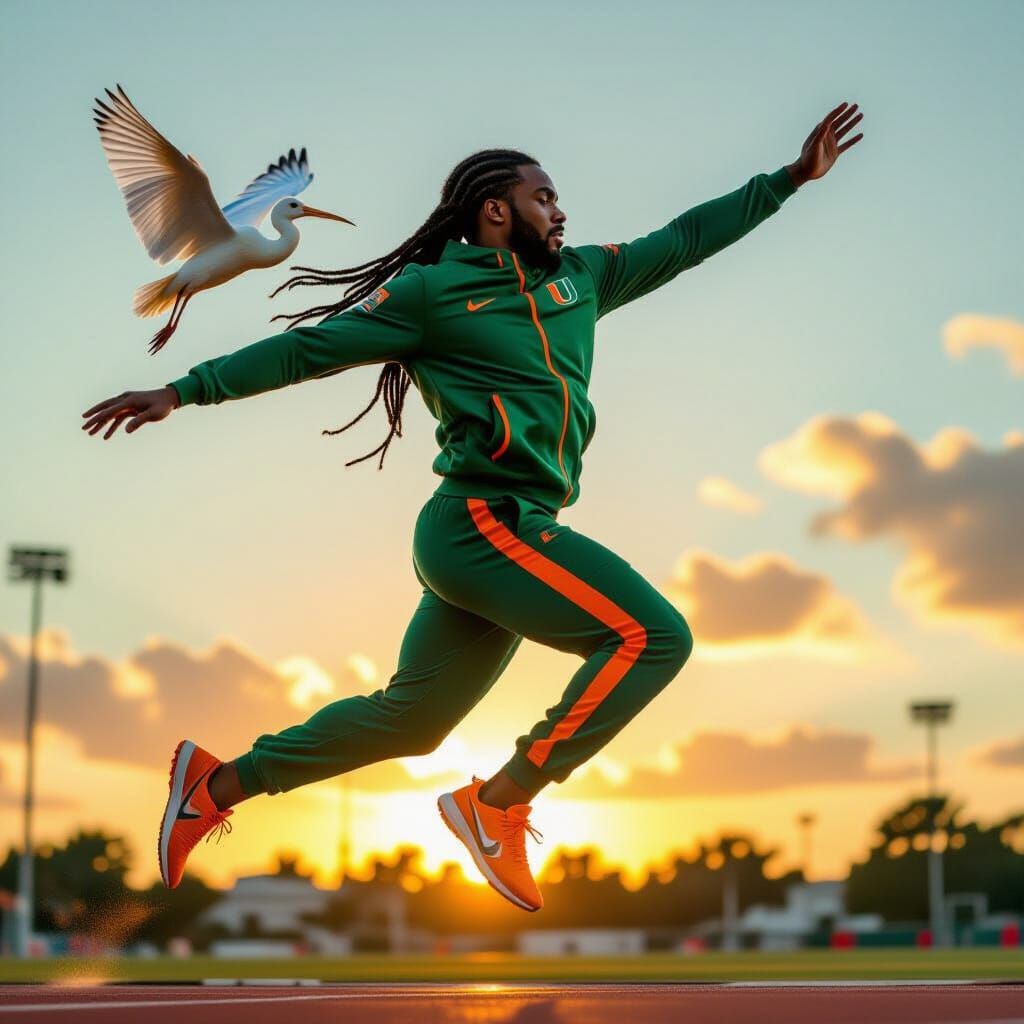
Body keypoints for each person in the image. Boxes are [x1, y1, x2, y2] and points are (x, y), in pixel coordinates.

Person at [82, 102, 864, 912]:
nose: (560, 211)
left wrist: (790, 181)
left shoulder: (581, 278)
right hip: (483, 523)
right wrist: (183, 390)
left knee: (411, 722)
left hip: (505, 532)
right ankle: (498, 802)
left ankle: (217, 786)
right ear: (497, 209)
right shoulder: (430, 293)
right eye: (544, 196)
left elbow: (687, 238)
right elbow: (308, 350)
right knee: (653, 636)